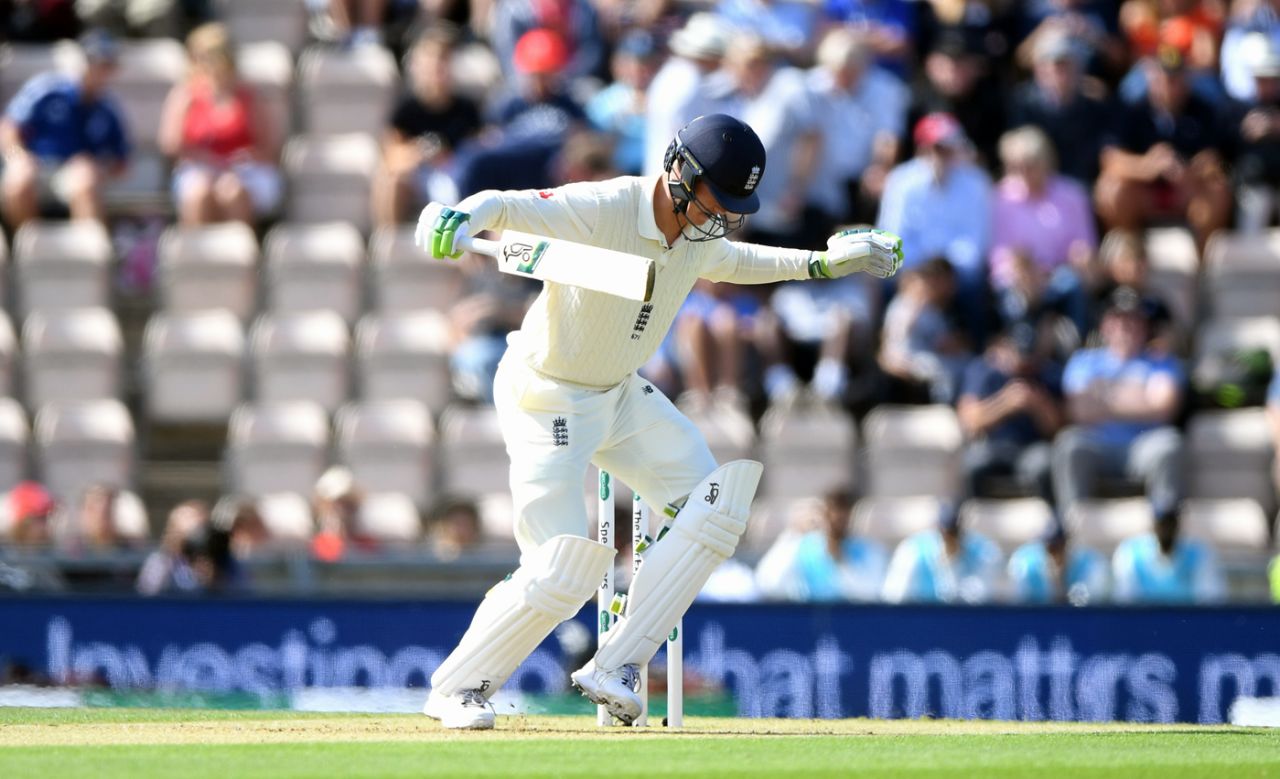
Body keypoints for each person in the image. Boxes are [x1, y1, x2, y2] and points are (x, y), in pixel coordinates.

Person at [414, 113, 903, 729]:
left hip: (620, 393)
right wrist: (458, 215)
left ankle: (616, 665)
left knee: (716, 506)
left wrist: (823, 265)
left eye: (731, 205)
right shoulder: (607, 206)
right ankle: (458, 688)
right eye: (714, 199)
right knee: (562, 567)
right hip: (548, 397)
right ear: (679, 172)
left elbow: (737, 261)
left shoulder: (697, 235)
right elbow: (506, 206)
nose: (718, 216)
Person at [1052, 287, 1186, 516]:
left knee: (1169, 445)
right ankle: (1072, 524)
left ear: (1145, 326)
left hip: (1144, 443)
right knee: (1069, 444)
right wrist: (1140, 396)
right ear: (1104, 325)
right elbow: (1079, 409)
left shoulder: (1162, 362)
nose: (1125, 328)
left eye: (1133, 320)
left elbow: (1163, 407)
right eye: (1118, 320)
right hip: (1096, 442)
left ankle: (1164, 525)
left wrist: (1103, 395)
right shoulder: (1084, 361)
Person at [0, 29, 129, 230]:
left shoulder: (108, 109)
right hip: (35, 167)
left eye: (107, 65)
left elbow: (121, 162)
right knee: (18, 180)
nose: (101, 71)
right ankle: (27, 242)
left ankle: (87, 247)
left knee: (85, 180)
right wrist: (18, 157)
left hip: (73, 175)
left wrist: (96, 167)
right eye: (96, 62)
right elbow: (9, 128)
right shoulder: (46, 90)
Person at [156, 22, 282, 227]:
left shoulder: (250, 97)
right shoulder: (184, 96)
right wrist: (207, 160)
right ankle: (195, 245)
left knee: (232, 192)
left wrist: (242, 160)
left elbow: (269, 149)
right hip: (198, 169)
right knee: (199, 192)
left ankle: (240, 245)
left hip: (245, 172)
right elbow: (171, 145)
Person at [989, 125, 1095, 338]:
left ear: (1046, 162)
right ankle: (1021, 349)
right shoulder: (1000, 198)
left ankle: (1077, 346)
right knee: (1013, 303)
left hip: (1058, 274)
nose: (1024, 172)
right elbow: (998, 254)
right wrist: (1024, 274)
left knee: (1073, 285)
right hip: (1017, 278)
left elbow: (1084, 244)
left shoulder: (1072, 196)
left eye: (1030, 165)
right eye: (1016, 166)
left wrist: (1079, 257)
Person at [373, 26, 483, 227]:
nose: (437, 69)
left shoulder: (467, 110)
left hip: (456, 177)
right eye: (432, 61)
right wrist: (422, 152)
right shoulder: (406, 111)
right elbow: (391, 157)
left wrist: (449, 158)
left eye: (443, 60)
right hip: (418, 178)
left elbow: (479, 150)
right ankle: (390, 238)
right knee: (391, 181)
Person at [957, 323, 1063, 502]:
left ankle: (1052, 519)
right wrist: (1006, 403)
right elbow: (969, 420)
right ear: (1007, 348)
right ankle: (966, 518)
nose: (1025, 362)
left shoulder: (1048, 374)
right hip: (994, 446)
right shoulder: (984, 371)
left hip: (1032, 448)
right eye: (1020, 354)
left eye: (1030, 355)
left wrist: (1037, 405)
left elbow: (1057, 430)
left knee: (1045, 464)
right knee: (972, 464)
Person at [759, 487, 888, 602]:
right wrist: (793, 535)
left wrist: (840, 561)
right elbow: (769, 584)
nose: (837, 518)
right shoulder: (803, 546)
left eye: (843, 511)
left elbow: (871, 593)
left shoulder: (869, 550)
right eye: (833, 510)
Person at [880, 503, 1003, 604]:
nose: (949, 538)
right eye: (945, 532)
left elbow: (983, 597)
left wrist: (954, 565)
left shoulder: (985, 552)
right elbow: (895, 596)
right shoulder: (913, 550)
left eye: (955, 532)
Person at [1112, 507, 1226, 603]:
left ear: (1178, 523)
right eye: (1161, 524)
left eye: (1170, 523)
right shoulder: (1130, 552)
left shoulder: (1200, 553)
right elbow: (1125, 601)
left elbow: (1211, 600)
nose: (1166, 530)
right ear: (1153, 523)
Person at [1007, 521, 1109, 604]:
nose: (1054, 555)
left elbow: (1086, 606)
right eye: (1050, 549)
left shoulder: (1087, 567)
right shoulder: (1030, 569)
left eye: (1059, 547)